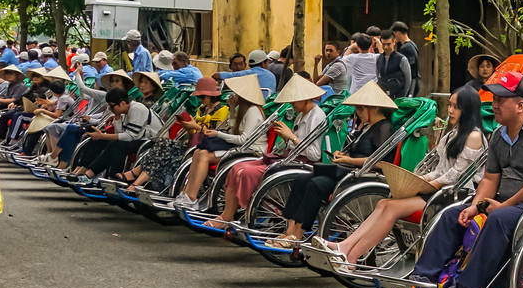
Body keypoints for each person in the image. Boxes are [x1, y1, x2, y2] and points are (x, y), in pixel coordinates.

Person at [405, 72, 523, 288]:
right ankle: (425, 275)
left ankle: (466, 287)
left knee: (496, 218)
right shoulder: (498, 134)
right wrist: (475, 206)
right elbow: (490, 178)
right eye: (494, 99)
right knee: (452, 214)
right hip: (500, 200)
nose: (493, 105)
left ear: (520, 105)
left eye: (500, 100)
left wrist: (502, 206)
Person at [330, 83, 486, 266]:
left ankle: (352, 256)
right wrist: (419, 180)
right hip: (439, 190)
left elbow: (457, 175)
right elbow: (440, 169)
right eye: (450, 105)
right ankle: (346, 246)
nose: (450, 110)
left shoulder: (474, 137)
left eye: (456, 107)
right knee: (383, 203)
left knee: (392, 208)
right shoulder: (452, 135)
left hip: (455, 195)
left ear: (467, 110)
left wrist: (429, 185)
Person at [195, 76, 329, 232]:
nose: (291, 104)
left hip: (300, 164)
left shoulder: (317, 116)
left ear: (305, 99)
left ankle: (239, 213)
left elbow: (314, 154)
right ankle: (227, 215)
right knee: (236, 168)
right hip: (287, 157)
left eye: (294, 100)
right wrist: (287, 137)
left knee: (245, 172)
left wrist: (291, 136)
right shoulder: (301, 114)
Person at [269, 83, 396, 244]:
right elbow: (356, 152)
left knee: (315, 184)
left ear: (374, 108)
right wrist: (343, 155)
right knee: (301, 180)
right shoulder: (366, 127)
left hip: (362, 176)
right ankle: (289, 230)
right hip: (348, 171)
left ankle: (298, 234)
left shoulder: (384, 128)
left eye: (360, 109)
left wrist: (349, 160)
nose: (357, 113)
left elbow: (381, 162)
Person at [170, 76, 269, 209]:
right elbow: (234, 131)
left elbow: (243, 139)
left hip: (251, 151)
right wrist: (233, 110)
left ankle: (192, 197)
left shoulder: (253, 111)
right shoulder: (244, 109)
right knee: (198, 152)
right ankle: (186, 194)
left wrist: (218, 134)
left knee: (204, 155)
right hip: (240, 147)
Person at [118, 76, 226, 196]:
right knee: (162, 144)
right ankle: (136, 177)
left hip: (208, 146)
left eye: (202, 96)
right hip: (193, 143)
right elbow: (193, 133)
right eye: (199, 97)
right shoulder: (202, 109)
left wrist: (195, 126)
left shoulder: (222, 110)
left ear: (211, 96)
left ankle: (135, 181)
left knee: (164, 151)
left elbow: (215, 134)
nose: (200, 100)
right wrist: (188, 127)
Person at [68, 88, 158, 180]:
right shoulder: (125, 112)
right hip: (139, 138)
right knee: (99, 140)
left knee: (117, 145)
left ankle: (112, 177)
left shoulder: (137, 109)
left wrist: (103, 135)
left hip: (152, 142)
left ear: (122, 103)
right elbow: (119, 134)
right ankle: (86, 171)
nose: (110, 109)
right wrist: (117, 117)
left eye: (112, 106)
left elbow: (129, 136)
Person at [384, 22, 421, 97]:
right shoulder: (412, 44)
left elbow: (408, 69)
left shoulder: (406, 48)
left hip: (410, 84)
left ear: (397, 33)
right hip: (414, 82)